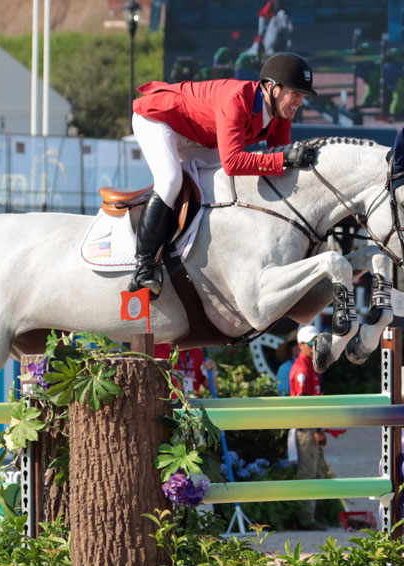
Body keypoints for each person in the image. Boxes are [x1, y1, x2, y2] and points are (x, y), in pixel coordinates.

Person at [129, 52, 318, 297]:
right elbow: (234, 162)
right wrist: (285, 159)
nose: (299, 102)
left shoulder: (280, 115)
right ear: (272, 88)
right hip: (159, 120)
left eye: (302, 96)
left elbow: (277, 160)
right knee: (170, 181)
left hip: (200, 138)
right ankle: (143, 266)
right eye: (296, 94)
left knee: (223, 186)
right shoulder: (237, 99)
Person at [289, 324, 329, 531]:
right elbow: (304, 404)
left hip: (312, 426)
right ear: (300, 346)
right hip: (307, 428)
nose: (315, 347)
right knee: (308, 472)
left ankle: (310, 515)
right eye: (310, 344)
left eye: (317, 343)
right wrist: (316, 430)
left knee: (318, 471)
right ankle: (305, 519)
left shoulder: (310, 366)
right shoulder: (302, 369)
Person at [275, 330, 299, 395]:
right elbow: (283, 395)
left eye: (300, 343)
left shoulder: (313, 365)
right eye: (293, 344)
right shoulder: (284, 368)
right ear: (289, 348)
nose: (298, 346)